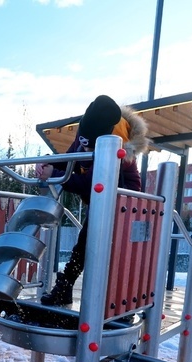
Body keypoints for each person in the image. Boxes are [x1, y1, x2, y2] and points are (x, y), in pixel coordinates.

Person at [35, 94, 149, 306]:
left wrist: (54, 174)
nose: (85, 150)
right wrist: (45, 164)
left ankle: (120, 301)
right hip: (100, 201)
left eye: (90, 147)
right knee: (84, 245)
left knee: (110, 253)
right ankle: (66, 288)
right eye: (83, 144)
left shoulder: (119, 144)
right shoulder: (87, 132)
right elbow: (67, 161)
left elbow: (91, 182)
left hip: (123, 206)